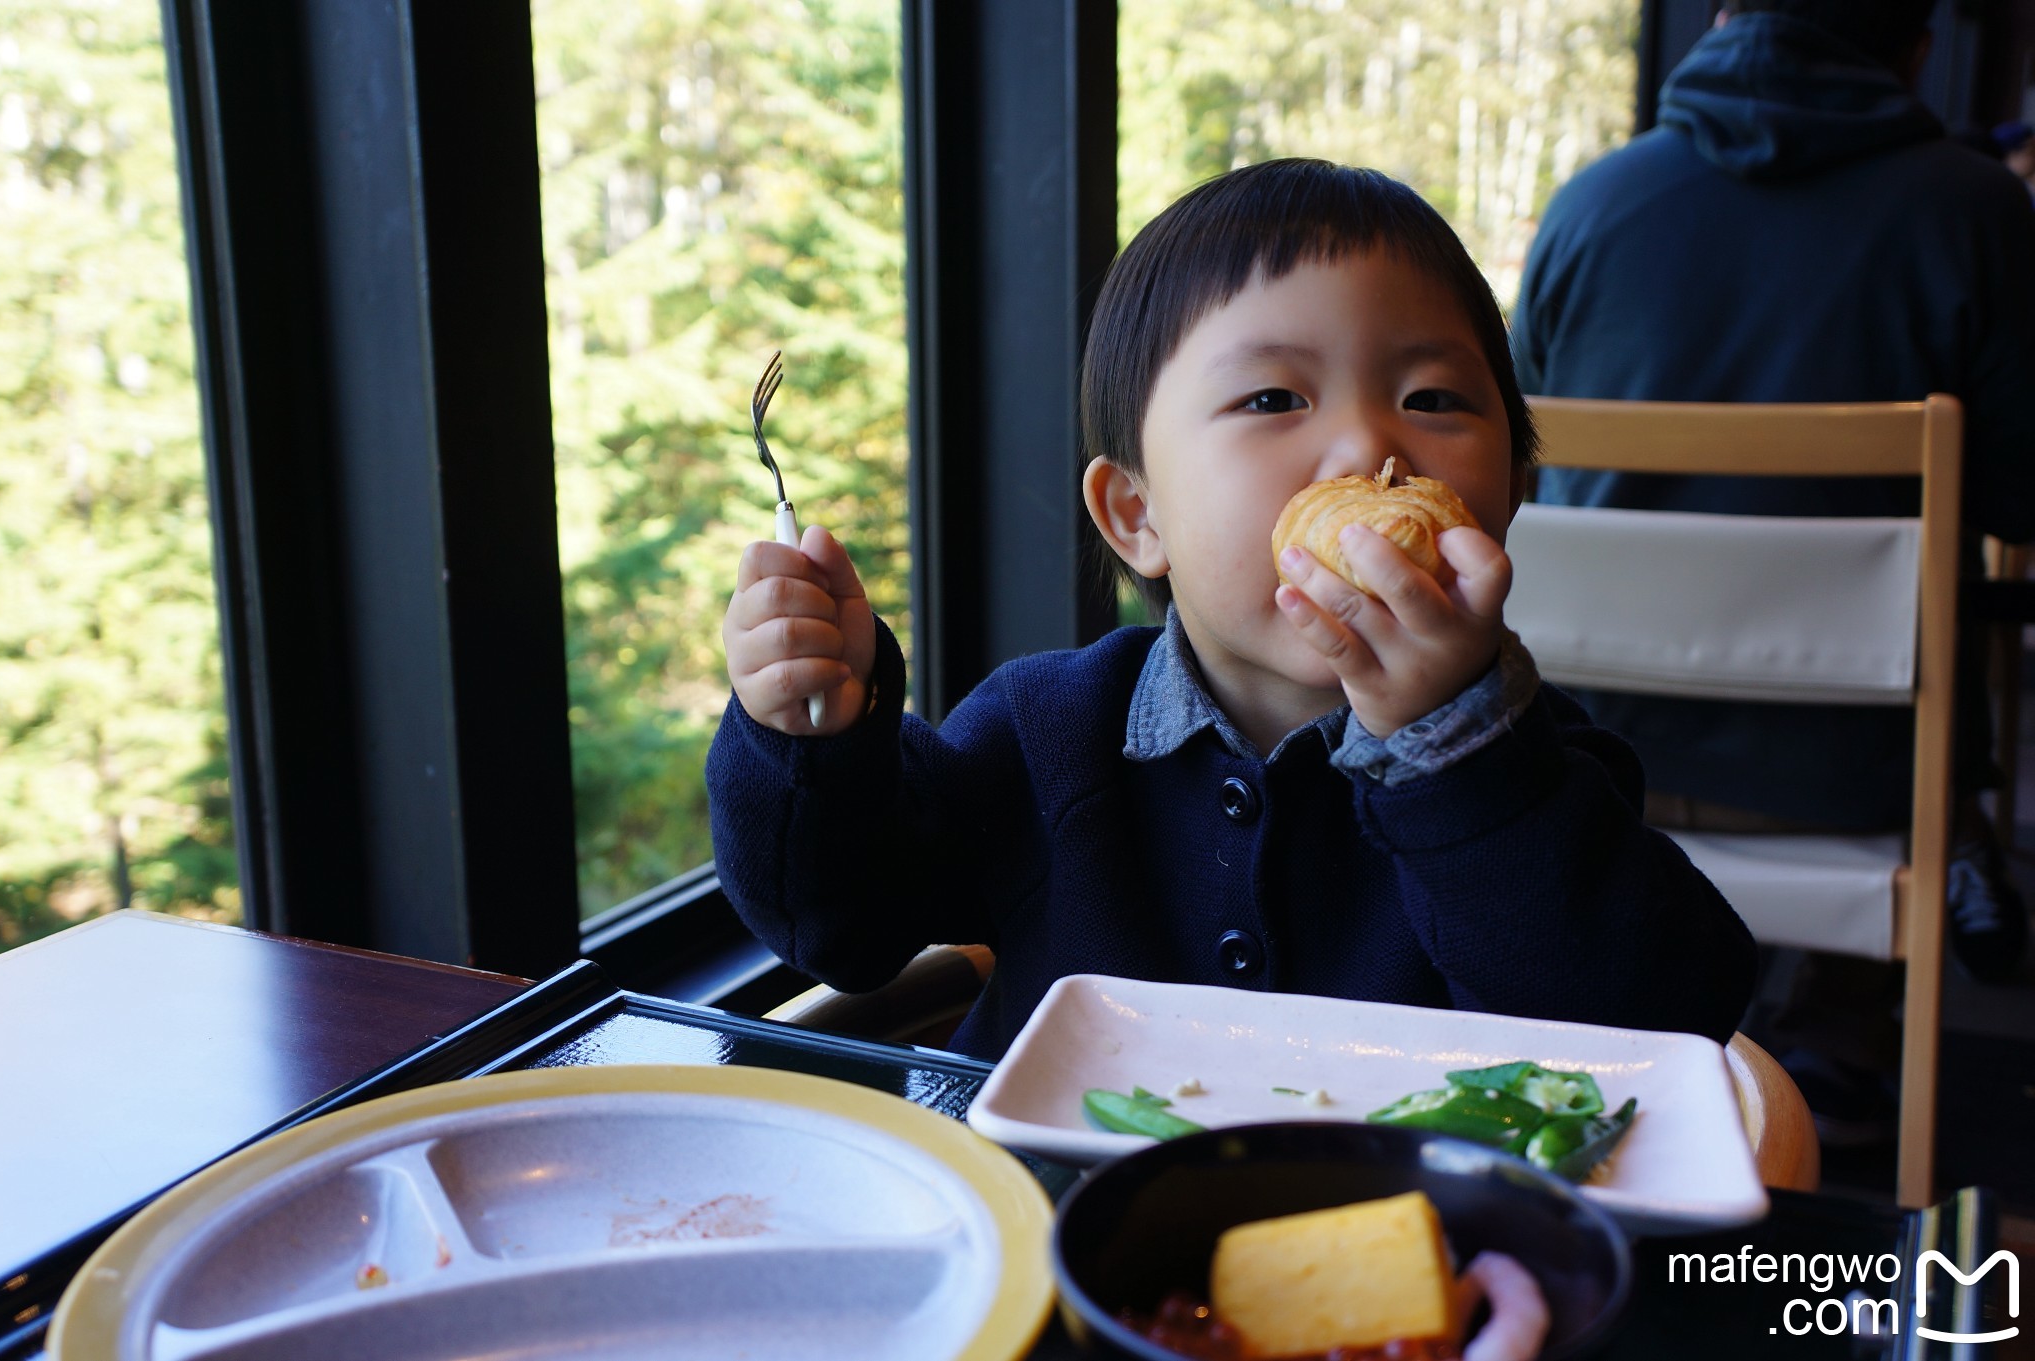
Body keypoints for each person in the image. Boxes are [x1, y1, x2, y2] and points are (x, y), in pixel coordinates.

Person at [704, 159, 1756, 1061]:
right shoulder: (1046, 735)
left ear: (1508, 497)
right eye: (1272, 400)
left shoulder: (1531, 769)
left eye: (1431, 399)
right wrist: (813, 732)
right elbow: (838, 925)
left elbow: (1664, 1021)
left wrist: (1454, 751)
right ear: (1136, 512)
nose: (1364, 453)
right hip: (1059, 1235)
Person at [1511, 0, 2035, 989]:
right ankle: (1843, 1028)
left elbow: (1506, 461)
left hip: (1586, 746)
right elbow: (2018, 499)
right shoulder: (1975, 209)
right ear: (1915, 53)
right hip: (1859, 775)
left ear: (1716, 21)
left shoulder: (1588, 203)